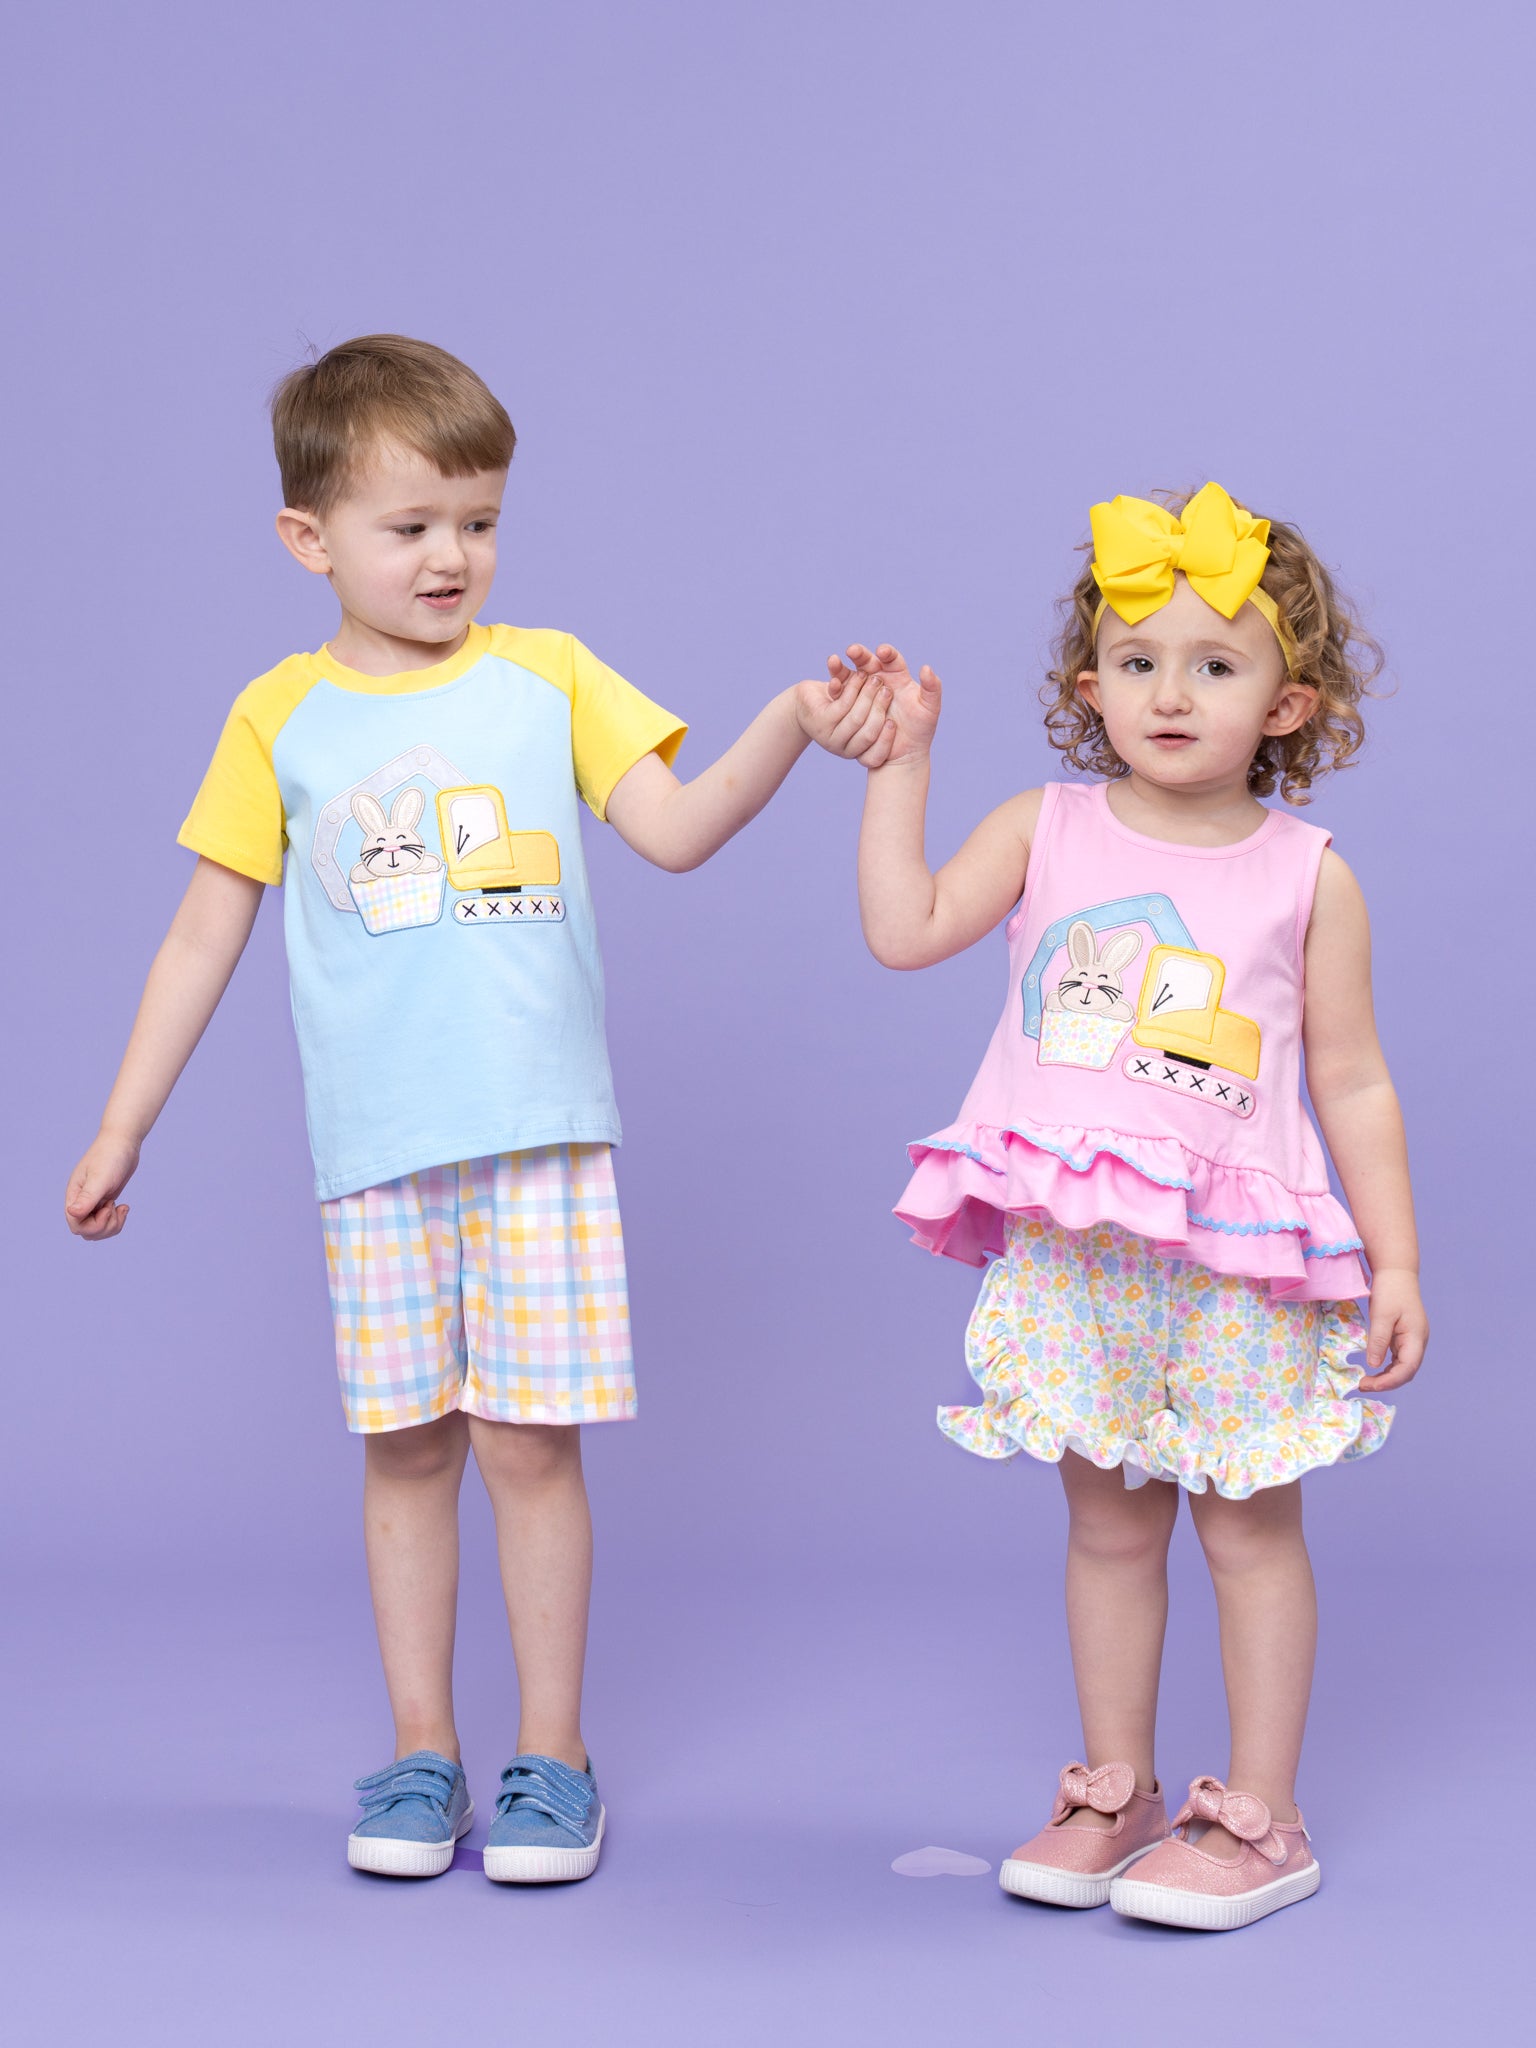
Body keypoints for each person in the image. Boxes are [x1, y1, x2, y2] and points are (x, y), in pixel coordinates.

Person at [64, 333, 890, 1884]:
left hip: (539, 1141)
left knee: (527, 1449)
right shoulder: (277, 718)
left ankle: (552, 1758)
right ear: (308, 538)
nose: (453, 555)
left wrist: (791, 721)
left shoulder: (548, 675)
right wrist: (125, 1125)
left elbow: (679, 829)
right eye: (412, 525)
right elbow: (200, 935)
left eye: (480, 520)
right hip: (377, 1156)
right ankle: (420, 1754)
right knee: (405, 1452)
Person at [837, 483, 1427, 1931]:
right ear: (1088, 686)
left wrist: (1398, 1261)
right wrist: (900, 766)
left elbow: (1353, 1080)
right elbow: (905, 930)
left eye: (1215, 665)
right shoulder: (1044, 829)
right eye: (1138, 660)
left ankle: (1264, 1819)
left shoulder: (1307, 877)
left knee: (1247, 1534)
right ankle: (1118, 1791)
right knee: (1106, 1531)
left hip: (1236, 1268)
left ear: (1287, 706)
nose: (1170, 693)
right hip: (1083, 1256)